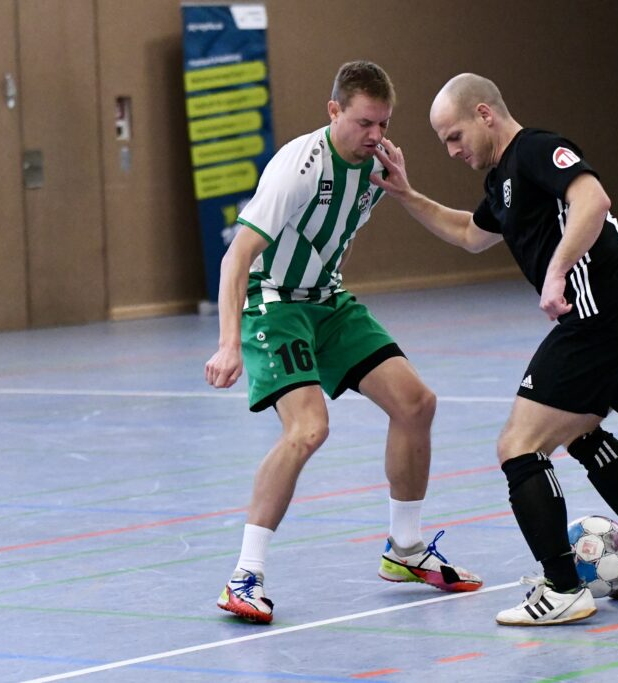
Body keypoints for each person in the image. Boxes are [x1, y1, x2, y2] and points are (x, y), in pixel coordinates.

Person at [371, 73, 618, 626]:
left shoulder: (535, 149)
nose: (453, 150)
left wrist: (557, 272)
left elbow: (593, 199)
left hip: (603, 316)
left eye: (454, 135)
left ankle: (562, 587)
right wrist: (404, 193)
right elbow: (470, 233)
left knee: (518, 447)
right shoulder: (503, 183)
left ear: (485, 114)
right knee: (579, 431)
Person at [204, 61, 482, 625]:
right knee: (309, 428)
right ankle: (244, 576)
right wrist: (229, 343)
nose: (376, 135)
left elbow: (338, 232)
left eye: (383, 123)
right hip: (275, 301)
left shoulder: (378, 163)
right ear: (334, 112)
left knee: (416, 403)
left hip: (326, 300)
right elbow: (237, 257)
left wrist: (403, 191)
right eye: (363, 123)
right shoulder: (299, 167)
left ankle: (405, 551)